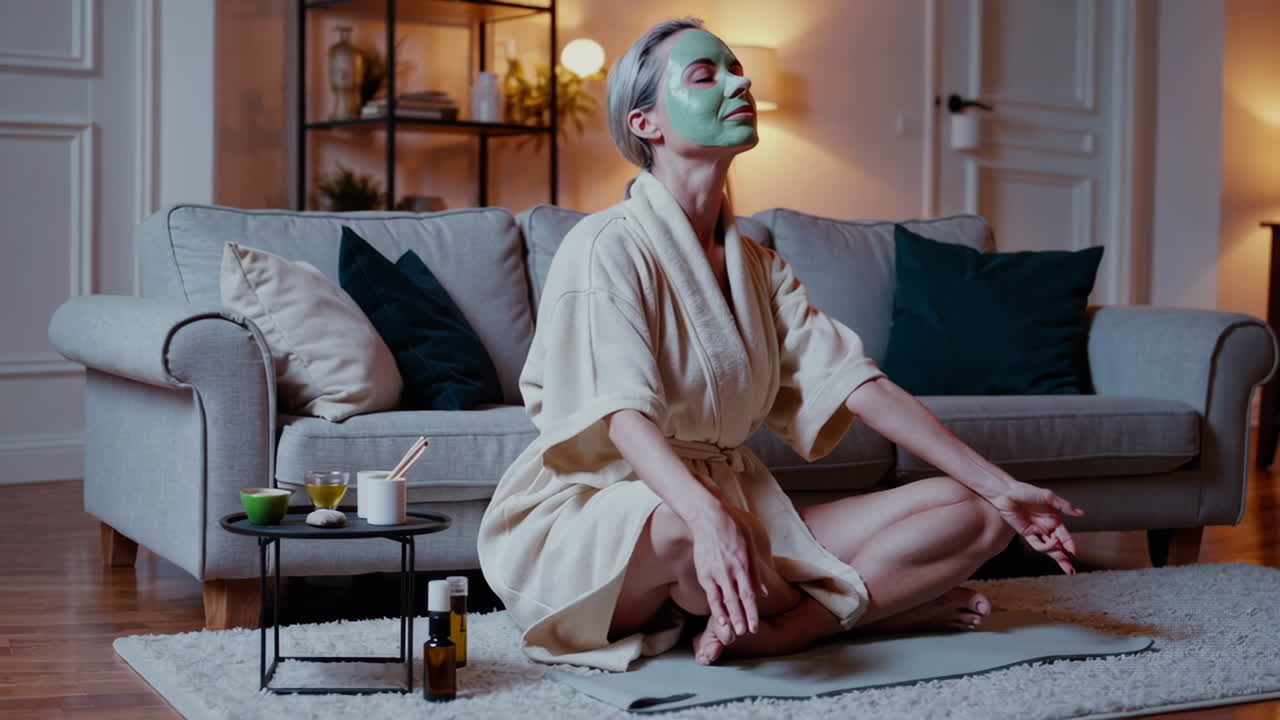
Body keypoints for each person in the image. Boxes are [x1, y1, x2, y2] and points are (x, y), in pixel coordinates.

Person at [477, 17, 1083, 672]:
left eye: (737, 69)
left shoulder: (758, 266)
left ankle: (796, 626)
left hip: (740, 510)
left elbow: (860, 384)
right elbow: (621, 415)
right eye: (706, 75)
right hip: (599, 515)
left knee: (977, 516)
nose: (739, 81)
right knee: (701, 525)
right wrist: (708, 519)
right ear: (644, 124)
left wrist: (1000, 486)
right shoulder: (605, 246)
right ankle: (875, 605)